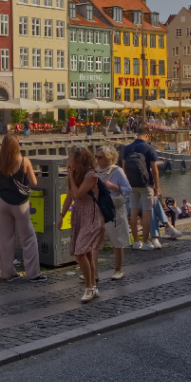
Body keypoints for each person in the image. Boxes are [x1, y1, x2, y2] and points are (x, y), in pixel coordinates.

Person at [0, 134, 45, 282]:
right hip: (20, 203)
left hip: (2, 201)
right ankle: (33, 273)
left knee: (5, 238)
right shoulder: (24, 161)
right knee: (28, 238)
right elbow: (33, 181)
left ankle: (7, 273)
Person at [58, 147, 104, 302]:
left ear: (79, 160)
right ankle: (92, 287)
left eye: (70, 157)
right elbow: (70, 196)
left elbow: (78, 194)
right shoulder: (77, 175)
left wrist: (70, 176)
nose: (68, 160)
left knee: (80, 252)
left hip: (91, 216)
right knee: (87, 253)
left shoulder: (91, 175)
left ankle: (89, 287)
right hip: (79, 216)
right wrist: (61, 216)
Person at [119, 125, 161, 249]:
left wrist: (127, 183)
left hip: (131, 184)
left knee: (134, 211)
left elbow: (123, 168)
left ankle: (136, 242)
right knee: (147, 213)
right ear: (147, 135)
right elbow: (155, 170)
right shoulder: (149, 149)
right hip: (146, 184)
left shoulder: (127, 148)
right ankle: (147, 242)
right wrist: (156, 186)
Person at [94, 145, 132, 280]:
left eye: (100, 157)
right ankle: (94, 272)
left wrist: (113, 186)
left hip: (114, 208)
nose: (97, 160)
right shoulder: (96, 171)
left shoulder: (117, 171)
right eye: (96, 157)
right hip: (99, 209)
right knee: (95, 241)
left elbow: (128, 189)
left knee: (117, 240)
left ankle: (118, 269)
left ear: (109, 158)